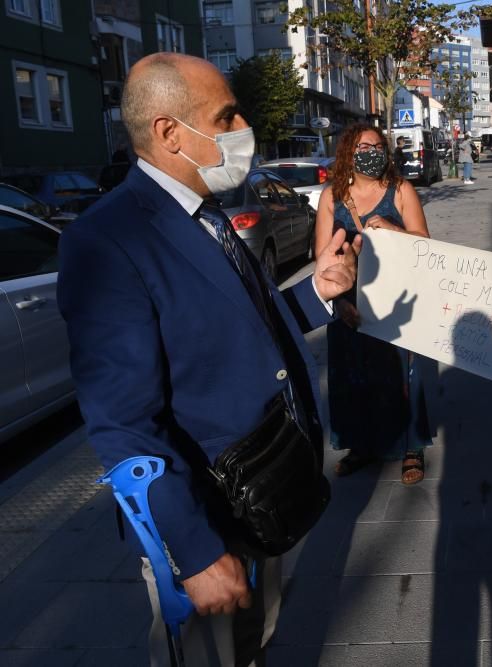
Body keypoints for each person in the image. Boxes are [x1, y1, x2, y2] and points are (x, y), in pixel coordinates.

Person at [57, 53, 360, 665]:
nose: (243, 126)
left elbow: (242, 332)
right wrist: (191, 550)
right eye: (226, 115)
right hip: (205, 515)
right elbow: (121, 423)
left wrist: (318, 292)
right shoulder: (109, 240)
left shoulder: (204, 213)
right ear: (171, 133)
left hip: (267, 496)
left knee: (255, 646)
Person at [315, 123, 434, 484]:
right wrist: (338, 306)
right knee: (353, 375)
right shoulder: (330, 197)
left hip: (395, 300)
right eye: (365, 146)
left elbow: (426, 243)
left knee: (402, 374)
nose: (374, 152)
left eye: (379, 145)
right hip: (348, 302)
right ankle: (361, 445)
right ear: (349, 153)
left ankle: (410, 447)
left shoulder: (400, 191)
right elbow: (322, 254)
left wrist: (394, 229)